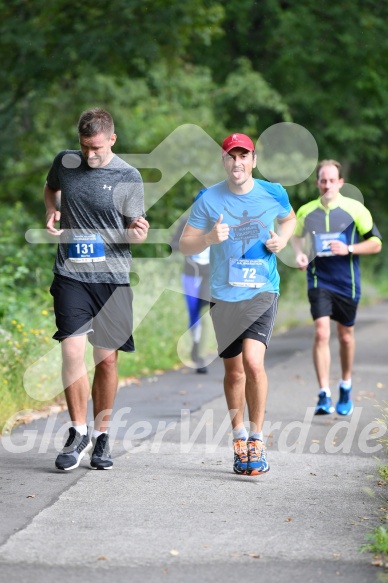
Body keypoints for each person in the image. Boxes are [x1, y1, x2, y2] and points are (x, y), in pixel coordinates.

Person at [179, 133, 296, 476]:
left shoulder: (273, 192)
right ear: (224, 162)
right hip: (223, 294)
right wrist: (209, 239)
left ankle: (257, 440)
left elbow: (288, 219)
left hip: (262, 290)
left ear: (253, 160)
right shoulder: (207, 198)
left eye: (243, 156)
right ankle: (239, 438)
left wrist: (282, 240)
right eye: (232, 157)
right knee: (233, 372)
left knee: (253, 363)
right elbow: (186, 245)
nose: (237, 163)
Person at [45, 108, 149, 471]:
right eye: (85, 147)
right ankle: (77, 431)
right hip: (71, 273)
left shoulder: (128, 176)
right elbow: (51, 188)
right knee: (72, 350)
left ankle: (102, 435)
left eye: (98, 149)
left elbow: (133, 228)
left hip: (112, 278)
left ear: (113, 140)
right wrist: (52, 210)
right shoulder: (65, 162)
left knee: (106, 360)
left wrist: (138, 232)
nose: (91, 156)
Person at [292, 159, 382, 416]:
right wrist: (299, 254)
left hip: (346, 282)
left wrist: (350, 248)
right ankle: (324, 394)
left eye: (332, 180)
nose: (327, 185)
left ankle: (345, 385)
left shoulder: (355, 210)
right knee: (321, 333)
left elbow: (376, 243)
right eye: (323, 180)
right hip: (319, 279)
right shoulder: (306, 212)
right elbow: (296, 237)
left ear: (341, 182)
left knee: (345, 336)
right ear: (317, 182)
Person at [170, 215, 210, 373]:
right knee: (194, 315)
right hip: (191, 274)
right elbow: (173, 244)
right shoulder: (187, 222)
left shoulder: (222, 221)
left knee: (204, 314)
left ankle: (201, 357)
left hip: (210, 274)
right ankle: (195, 343)